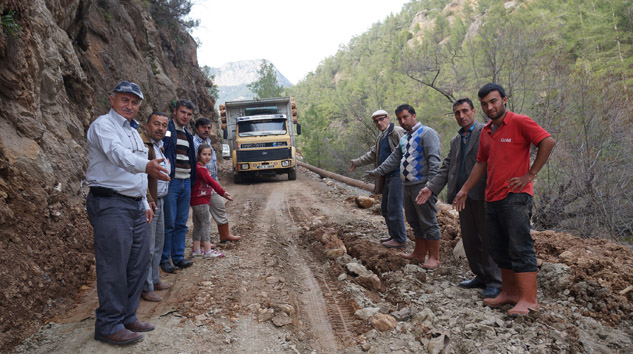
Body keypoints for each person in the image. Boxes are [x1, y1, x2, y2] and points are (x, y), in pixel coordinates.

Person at [453, 83, 556, 315]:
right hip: (492, 198)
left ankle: (529, 300)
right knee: (499, 247)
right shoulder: (487, 131)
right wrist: (465, 189)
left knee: (520, 246)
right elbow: (481, 163)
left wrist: (530, 175)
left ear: (504, 100)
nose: (489, 107)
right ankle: (509, 293)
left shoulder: (520, 121)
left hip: (515, 197)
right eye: (484, 104)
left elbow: (547, 141)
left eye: (493, 101)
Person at [86, 81, 170, 345]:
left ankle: (127, 316)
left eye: (134, 102)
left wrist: (144, 202)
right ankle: (108, 324)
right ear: (112, 99)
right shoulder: (103, 126)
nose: (129, 106)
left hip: (133, 205)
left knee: (138, 262)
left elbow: (136, 176)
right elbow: (118, 156)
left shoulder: (134, 131)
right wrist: (146, 165)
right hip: (109, 203)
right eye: (125, 100)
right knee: (113, 266)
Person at [416, 99, 502, 298]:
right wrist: (431, 188)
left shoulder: (486, 131)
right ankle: (480, 275)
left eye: (465, 111)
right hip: (462, 198)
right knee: (471, 239)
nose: (461, 116)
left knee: (489, 238)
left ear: (473, 111)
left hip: (484, 194)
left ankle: (495, 281)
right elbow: (447, 167)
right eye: (457, 113)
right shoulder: (457, 140)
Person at [367, 104, 442, 269]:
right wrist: (376, 172)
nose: (403, 121)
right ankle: (419, 253)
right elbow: (393, 159)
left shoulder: (427, 133)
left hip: (422, 186)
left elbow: (435, 161)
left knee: (428, 222)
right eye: (400, 118)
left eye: (405, 117)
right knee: (414, 222)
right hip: (407, 185)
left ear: (414, 116)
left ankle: (434, 258)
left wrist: (431, 187)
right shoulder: (405, 137)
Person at [350, 110, 406, 249]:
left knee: (394, 207)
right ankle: (393, 236)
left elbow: (406, 152)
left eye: (381, 119)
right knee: (386, 208)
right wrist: (357, 162)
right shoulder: (381, 136)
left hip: (397, 175)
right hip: (386, 176)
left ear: (388, 118)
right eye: (376, 121)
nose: (379, 123)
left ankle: (400, 239)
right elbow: (373, 154)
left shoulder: (397, 132)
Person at [139, 111, 173, 302]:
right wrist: (149, 198)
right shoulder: (144, 145)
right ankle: (146, 287)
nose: (160, 128)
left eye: (163, 125)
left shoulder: (159, 145)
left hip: (160, 199)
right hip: (150, 200)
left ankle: (154, 279)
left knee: (158, 243)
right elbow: (141, 176)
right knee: (148, 246)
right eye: (156, 124)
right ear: (148, 125)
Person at [161, 99, 197, 273]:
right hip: (172, 181)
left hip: (186, 182)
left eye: (189, 114)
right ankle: (164, 259)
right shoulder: (167, 130)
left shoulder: (188, 134)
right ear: (175, 111)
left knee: (182, 222)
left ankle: (178, 257)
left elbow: (191, 159)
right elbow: (162, 148)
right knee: (169, 222)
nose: (185, 116)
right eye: (183, 112)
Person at [193, 118, 240, 243]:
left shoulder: (207, 142)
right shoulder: (193, 143)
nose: (206, 130)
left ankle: (224, 235)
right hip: (201, 185)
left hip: (212, 182)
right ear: (196, 128)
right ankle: (202, 243)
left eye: (208, 128)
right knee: (202, 215)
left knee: (219, 207)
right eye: (203, 127)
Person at [191, 144, 234, 258]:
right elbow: (211, 182)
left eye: (209, 154)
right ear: (199, 155)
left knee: (198, 224)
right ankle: (207, 251)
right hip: (201, 199)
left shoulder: (198, 167)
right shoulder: (201, 169)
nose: (207, 157)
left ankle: (196, 249)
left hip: (196, 199)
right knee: (205, 224)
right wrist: (222, 192)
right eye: (204, 154)